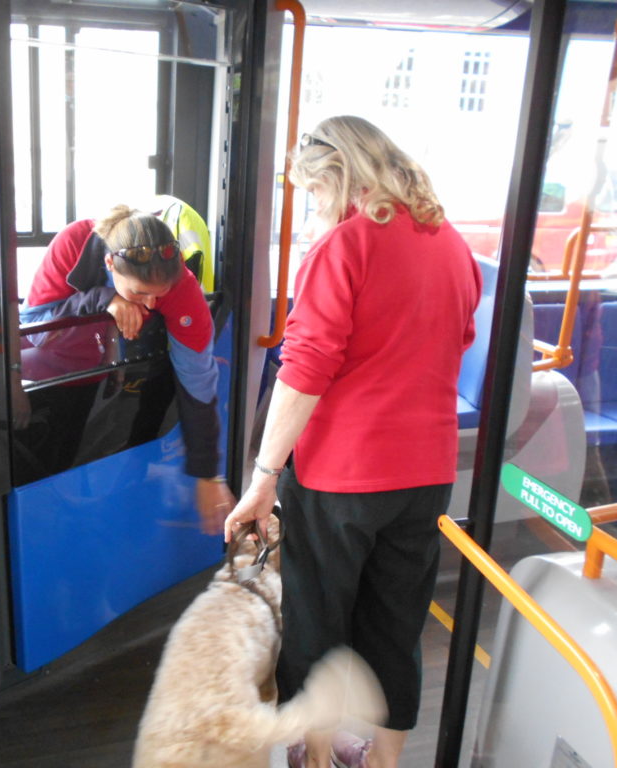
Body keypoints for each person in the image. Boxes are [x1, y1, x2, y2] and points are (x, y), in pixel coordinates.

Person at [223, 116, 482, 768]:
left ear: (343, 176)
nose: (316, 209)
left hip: (343, 477)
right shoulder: (451, 244)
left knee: (315, 629)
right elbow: (456, 343)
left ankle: (314, 759)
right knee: (396, 627)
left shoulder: (346, 245)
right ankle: (386, 762)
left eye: (315, 193)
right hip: (426, 475)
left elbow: (304, 369)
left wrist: (262, 476)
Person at [19, 203, 235, 533]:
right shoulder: (73, 244)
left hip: (117, 370)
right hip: (51, 373)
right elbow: (33, 329)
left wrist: (207, 474)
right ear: (109, 264)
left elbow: (199, 382)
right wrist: (101, 299)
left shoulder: (182, 287)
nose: (150, 305)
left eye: (159, 295)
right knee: (46, 475)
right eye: (139, 292)